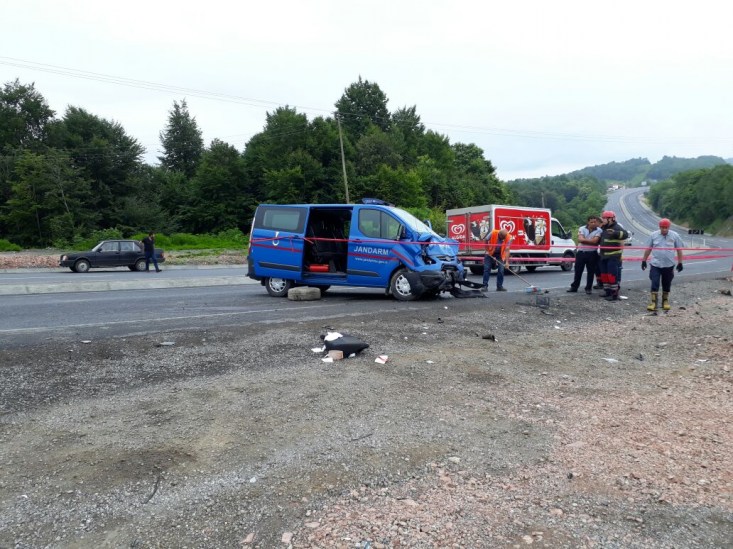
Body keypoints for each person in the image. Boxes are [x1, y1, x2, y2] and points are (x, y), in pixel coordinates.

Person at [641, 218, 684, 311]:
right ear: (659, 227)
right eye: (662, 227)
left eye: (666, 227)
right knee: (654, 282)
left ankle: (665, 301)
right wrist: (644, 260)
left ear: (669, 227)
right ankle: (653, 302)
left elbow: (679, 250)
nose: (664, 229)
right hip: (655, 264)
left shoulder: (675, 235)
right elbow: (648, 249)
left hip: (669, 265)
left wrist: (680, 262)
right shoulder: (653, 235)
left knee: (666, 283)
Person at [567, 215, 602, 294]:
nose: (593, 224)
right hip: (581, 253)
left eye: (595, 222)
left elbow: (595, 241)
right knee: (578, 271)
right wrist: (591, 241)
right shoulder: (582, 228)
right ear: (588, 222)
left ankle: (588, 288)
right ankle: (574, 287)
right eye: (591, 222)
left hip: (592, 254)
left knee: (591, 272)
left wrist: (585, 240)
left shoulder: (599, 230)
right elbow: (580, 239)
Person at [598, 211, 629, 301]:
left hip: (613, 256)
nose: (603, 220)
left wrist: (615, 233)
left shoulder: (616, 227)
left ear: (611, 219)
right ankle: (607, 291)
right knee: (604, 275)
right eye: (603, 218)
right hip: (603, 256)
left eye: (604, 218)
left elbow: (625, 234)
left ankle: (614, 293)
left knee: (612, 275)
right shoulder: (603, 228)